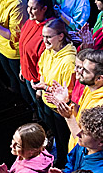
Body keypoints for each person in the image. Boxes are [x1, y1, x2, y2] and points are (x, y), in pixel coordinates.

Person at [50, 49, 103, 154]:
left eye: (84, 70)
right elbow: (79, 121)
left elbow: (87, 141)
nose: (78, 71)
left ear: (99, 78)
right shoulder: (92, 86)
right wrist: (66, 102)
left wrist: (68, 117)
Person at [31, 18, 78, 164]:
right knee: (56, 136)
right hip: (48, 103)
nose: (45, 40)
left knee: (64, 139)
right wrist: (41, 88)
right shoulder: (48, 51)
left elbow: (67, 93)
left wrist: (44, 87)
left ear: (61, 36)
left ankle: (66, 164)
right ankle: (60, 157)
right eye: (43, 36)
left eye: (49, 37)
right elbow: (42, 69)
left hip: (60, 110)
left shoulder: (69, 61)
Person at [18, 0, 53, 117]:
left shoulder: (48, 31)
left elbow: (44, 63)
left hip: (38, 82)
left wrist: (40, 89)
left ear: (44, 9)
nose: (28, 11)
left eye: (33, 8)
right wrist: (23, 67)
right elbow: (23, 47)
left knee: (44, 111)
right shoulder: (29, 22)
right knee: (38, 108)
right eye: (28, 7)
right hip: (29, 76)